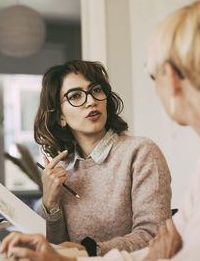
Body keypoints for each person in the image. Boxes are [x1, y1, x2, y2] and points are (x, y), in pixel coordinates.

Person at [0, 0, 200, 261]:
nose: (91, 100)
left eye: (153, 74)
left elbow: (187, 252)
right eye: (76, 96)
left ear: (171, 77)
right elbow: (163, 248)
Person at [31, 59, 172, 256]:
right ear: (60, 117)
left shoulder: (141, 152)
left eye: (96, 90)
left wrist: (90, 251)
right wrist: (50, 203)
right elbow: (56, 250)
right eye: (76, 96)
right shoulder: (61, 170)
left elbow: (153, 235)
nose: (91, 101)